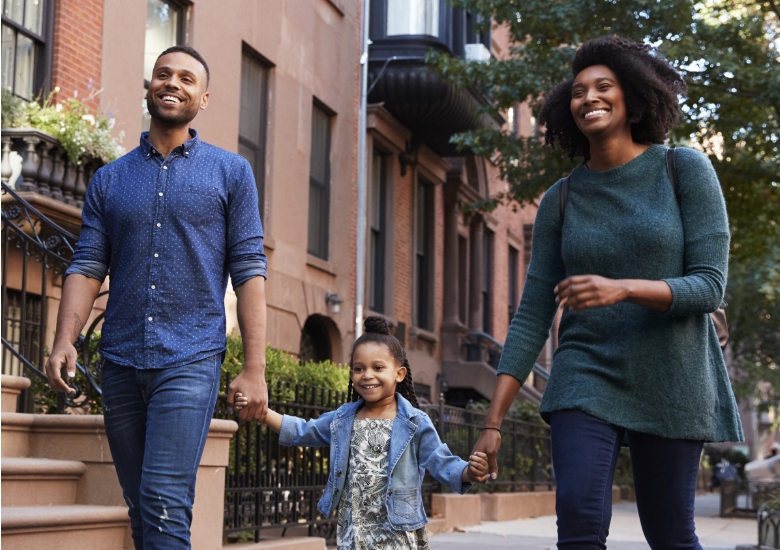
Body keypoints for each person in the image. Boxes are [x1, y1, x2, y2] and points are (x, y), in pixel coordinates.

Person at [471, 36, 743, 549]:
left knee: (669, 535)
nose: (588, 97)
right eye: (577, 91)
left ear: (633, 97)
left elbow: (709, 286)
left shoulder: (684, 169)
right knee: (577, 519)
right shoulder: (562, 198)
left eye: (603, 86)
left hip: (673, 372)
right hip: (585, 371)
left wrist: (621, 289)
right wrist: (494, 422)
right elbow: (532, 313)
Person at [44, 46, 269, 549]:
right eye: (163, 74)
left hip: (190, 357)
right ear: (149, 86)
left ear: (203, 98)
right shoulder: (110, 179)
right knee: (142, 507)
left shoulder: (231, 173)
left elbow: (250, 270)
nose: (173, 83)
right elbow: (86, 262)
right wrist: (65, 339)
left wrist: (254, 367)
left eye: (186, 78)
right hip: (120, 358)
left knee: (164, 499)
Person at [236, 316, 489, 550]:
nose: (367, 375)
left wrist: (469, 472)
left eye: (378, 368)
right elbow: (304, 430)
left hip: (396, 535)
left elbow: (440, 462)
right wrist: (262, 412)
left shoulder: (414, 421)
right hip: (353, 534)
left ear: (399, 374)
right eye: (359, 368)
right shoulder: (344, 419)